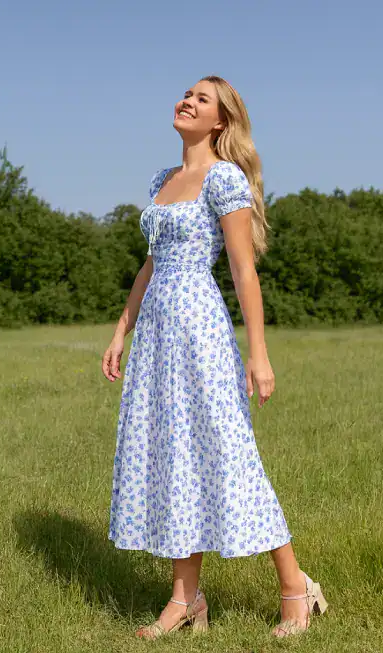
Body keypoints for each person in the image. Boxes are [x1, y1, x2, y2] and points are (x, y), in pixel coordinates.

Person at [101, 76, 328, 640]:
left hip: (200, 331)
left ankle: (297, 588)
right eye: (186, 94)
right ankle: (186, 600)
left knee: (231, 456)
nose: (188, 101)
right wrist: (120, 331)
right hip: (156, 337)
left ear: (221, 121)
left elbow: (243, 269)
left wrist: (259, 355)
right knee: (174, 459)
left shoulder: (224, 179)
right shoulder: (163, 179)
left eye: (202, 99)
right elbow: (149, 265)